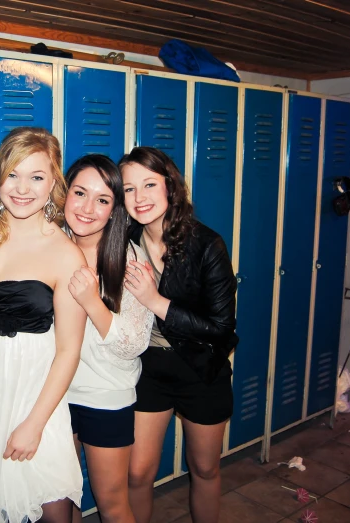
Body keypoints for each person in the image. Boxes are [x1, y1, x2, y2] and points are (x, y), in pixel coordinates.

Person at [0, 127, 87, 523]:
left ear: (54, 182)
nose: (22, 189)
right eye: (13, 175)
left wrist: (35, 425)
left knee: (50, 504)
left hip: (33, 392)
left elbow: (69, 350)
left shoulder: (65, 254)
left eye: (37, 177)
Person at [120, 147, 237, 523]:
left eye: (149, 184)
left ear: (170, 186)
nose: (139, 198)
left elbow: (221, 328)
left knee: (203, 469)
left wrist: (156, 301)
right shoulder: (122, 239)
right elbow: (76, 218)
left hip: (202, 369)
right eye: (129, 188)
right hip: (150, 369)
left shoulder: (207, 245)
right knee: (137, 473)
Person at [64, 155, 154, 523]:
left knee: (112, 504)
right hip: (53, 396)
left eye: (102, 200)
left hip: (105, 397)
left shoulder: (130, 260)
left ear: (115, 209)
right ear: (63, 194)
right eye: (79, 193)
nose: (87, 208)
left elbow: (134, 344)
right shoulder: (51, 247)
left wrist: (91, 301)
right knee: (59, 500)